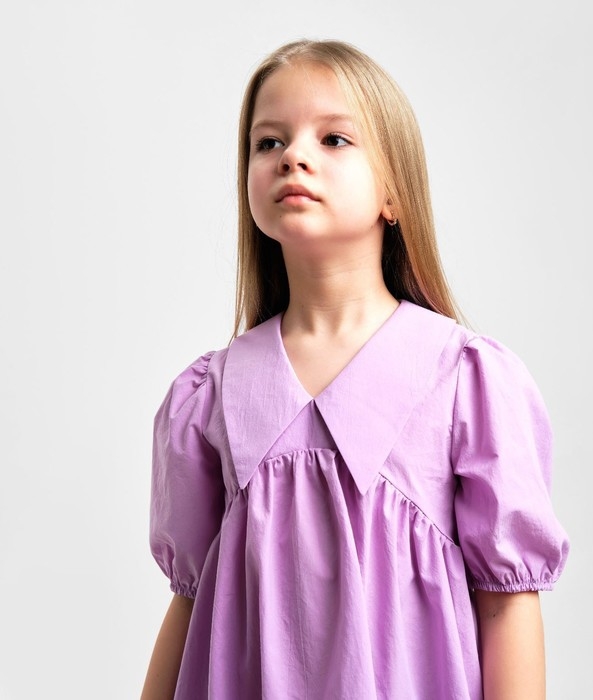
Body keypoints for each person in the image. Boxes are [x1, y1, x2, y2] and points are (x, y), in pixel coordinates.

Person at [141, 39, 569, 700]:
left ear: (393, 191)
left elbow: (506, 605)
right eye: (268, 142)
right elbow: (192, 603)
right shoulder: (210, 395)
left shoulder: (463, 381)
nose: (293, 156)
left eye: (334, 139)